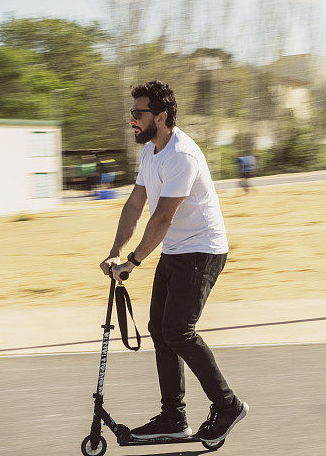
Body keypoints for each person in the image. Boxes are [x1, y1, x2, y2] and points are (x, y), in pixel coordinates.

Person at [99, 80, 248, 444]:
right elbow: (135, 205)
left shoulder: (182, 154)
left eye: (138, 113)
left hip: (203, 250)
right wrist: (115, 251)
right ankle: (173, 416)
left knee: (178, 330)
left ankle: (228, 405)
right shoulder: (151, 152)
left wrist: (132, 261)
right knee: (159, 328)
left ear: (161, 117)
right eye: (131, 112)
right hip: (176, 250)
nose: (131, 119)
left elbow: (163, 216)